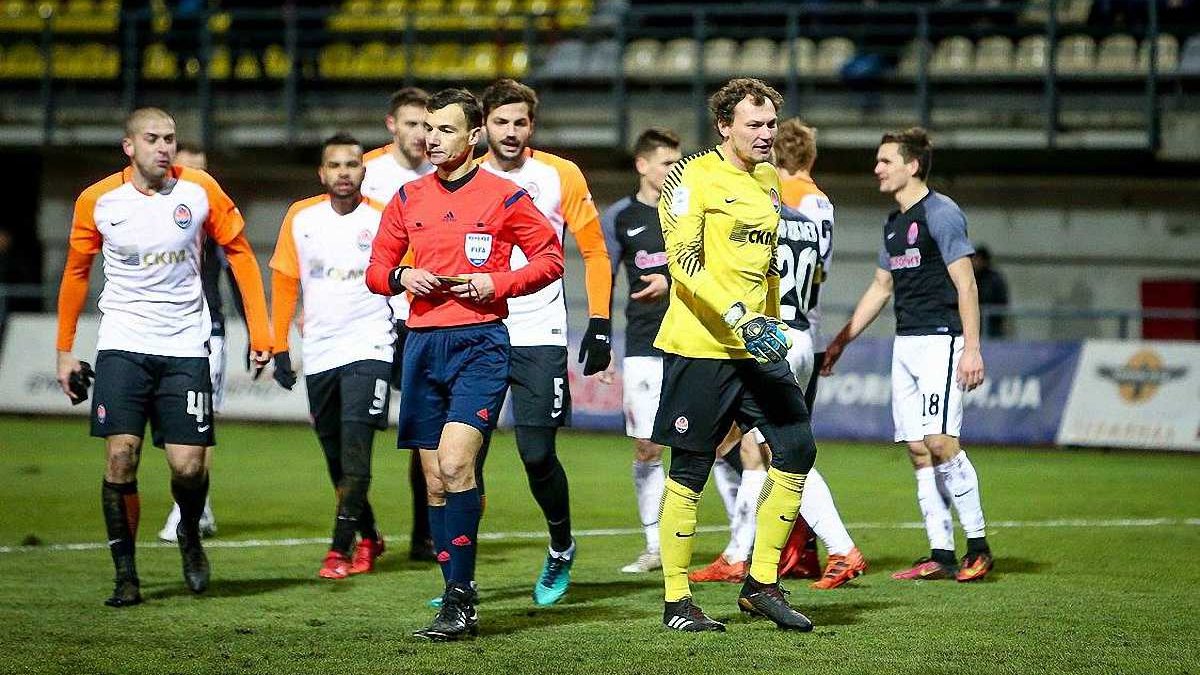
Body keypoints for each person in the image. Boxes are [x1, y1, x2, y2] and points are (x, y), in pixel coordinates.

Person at [365, 88, 564, 641]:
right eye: (428, 128)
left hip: (480, 344)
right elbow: (376, 269)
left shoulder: (505, 196)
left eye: (445, 130)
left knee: (455, 465)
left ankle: (461, 598)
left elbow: (550, 259)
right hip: (422, 345)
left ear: (474, 136)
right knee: (434, 480)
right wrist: (402, 276)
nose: (431, 139)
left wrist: (497, 283)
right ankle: (455, 596)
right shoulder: (407, 197)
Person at [55, 107, 272, 607]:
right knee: (120, 456)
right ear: (128, 146)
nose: (163, 147)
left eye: (169, 138)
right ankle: (126, 575)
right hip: (123, 344)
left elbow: (240, 254)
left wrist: (261, 332)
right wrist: (65, 351)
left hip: (184, 346)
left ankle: (190, 535)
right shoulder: (98, 200)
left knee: (189, 467)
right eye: (152, 138)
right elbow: (76, 272)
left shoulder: (199, 190)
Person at [653, 78, 816, 633]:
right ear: (725, 126)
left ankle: (761, 584)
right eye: (755, 124)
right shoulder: (689, 176)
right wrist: (739, 316)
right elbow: (683, 262)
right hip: (701, 345)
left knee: (797, 446)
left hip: (756, 345)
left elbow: (766, 265)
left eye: (771, 124)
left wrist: (771, 320)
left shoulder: (769, 179)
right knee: (691, 467)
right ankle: (677, 601)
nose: (766, 134)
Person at [822, 127, 994, 582]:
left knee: (940, 442)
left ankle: (978, 547)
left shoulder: (942, 213)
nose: (876, 168)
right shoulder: (894, 223)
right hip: (907, 343)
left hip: (942, 339)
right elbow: (881, 288)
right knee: (918, 450)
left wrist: (972, 348)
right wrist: (841, 341)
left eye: (886, 161)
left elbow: (967, 284)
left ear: (912, 165)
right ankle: (941, 553)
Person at [476, 78, 613, 606]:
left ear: (532, 125)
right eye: (501, 122)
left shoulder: (560, 174)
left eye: (520, 122)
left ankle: (561, 546)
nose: (511, 132)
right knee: (462, 460)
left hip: (539, 332)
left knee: (536, 455)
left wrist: (599, 322)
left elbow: (595, 252)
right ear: (483, 125)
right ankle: (460, 578)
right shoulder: (463, 176)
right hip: (477, 330)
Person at [268, 133, 394, 579]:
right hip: (320, 350)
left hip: (371, 345)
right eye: (335, 165)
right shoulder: (301, 217)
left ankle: (339, 550)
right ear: (322, 173)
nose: (344, 172)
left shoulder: (384, 217)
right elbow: (285, 280)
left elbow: (405, 278)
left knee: (356, 454)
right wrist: (279, 345)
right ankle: (370, 535)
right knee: (336, 459)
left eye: (352, 165)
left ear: (364, 171)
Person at [597, 127, 681, 575]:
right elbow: (603, 280)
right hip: (645, 346)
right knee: (648, 446)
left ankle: (739, 549)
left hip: (694, 343)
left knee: (725, 441)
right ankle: (655, 546)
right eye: (667, 163)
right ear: (642, 165)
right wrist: (602, 341)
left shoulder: (690, 211)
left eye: (679, 163)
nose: (675, 170)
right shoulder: (619, 217)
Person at [362, 86, 439, 563]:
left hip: (420, 315)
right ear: (392, 124)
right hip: (369, 314)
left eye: (427, 126)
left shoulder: (445, 172)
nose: (421, 135)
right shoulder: (365, 172)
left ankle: (424, 533)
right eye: (412, 124)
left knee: (425, 429)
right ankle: (362, 528)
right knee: (357, 428)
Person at [158, 142, 234, 543]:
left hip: (208, 329)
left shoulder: (214, 220)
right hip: (159, 331)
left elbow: (236, 273)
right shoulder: (152, 215)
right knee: (169, 422)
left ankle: (189, 508)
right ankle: (197, 505)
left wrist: (259, 334)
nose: (197, 180)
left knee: (200, 417)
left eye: (203, 172)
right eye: (189, 171)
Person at [972, 245, 1009, 339]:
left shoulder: (994, 279)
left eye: (977, 259)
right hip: (974, 325)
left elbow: (1002, 302)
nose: (975, 262)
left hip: (992, 325)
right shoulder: (971, 277)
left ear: (984, 261)